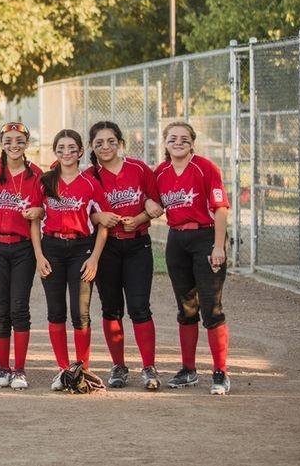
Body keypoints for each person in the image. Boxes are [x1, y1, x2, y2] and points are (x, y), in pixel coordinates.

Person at [85, 121, 164, 390]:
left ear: (120, 143)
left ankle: (149, 367)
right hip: (107, 248)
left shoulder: (139, 168)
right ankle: (118, 366)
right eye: (98, 143)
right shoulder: (90, 175)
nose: (105, 147)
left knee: (140, 308)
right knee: (111, 308)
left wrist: (139, 217)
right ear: (91, 147)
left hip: (137, 245)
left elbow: (155, 203)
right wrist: (98, 216)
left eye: (110, 141)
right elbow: (82, 212)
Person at [155, 121, 232, 395]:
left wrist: (219, 246)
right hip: (176, 240)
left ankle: (220, 372)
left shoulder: (205, 167)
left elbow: (220, 208)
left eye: (184, 139)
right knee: (186, 308)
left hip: (206, 238)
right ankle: (188, 369)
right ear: (165, 142)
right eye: (173, 138)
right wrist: (148, 206)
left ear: (192, 143)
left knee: (211, 308)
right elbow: (151, 202)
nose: (178, 142)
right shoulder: (160, 172)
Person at [33, 129, 110, 391]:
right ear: (55, 152)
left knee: (81, 313)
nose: (66, 152)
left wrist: (95, 259)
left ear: (80, 152)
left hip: (81, 249)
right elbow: (35, 219)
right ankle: (63, 369)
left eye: (71, 148)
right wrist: (39, 255)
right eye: (61, 148)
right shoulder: (45, 181)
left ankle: (81, 370)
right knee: (56, 312)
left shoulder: (90, 182)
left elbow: (102, 223)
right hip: (51, 248)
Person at [0, 122, 44, 390]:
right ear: (1, 142)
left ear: (27, 143)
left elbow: (43, 209)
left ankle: (19, 369)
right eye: (8, 140)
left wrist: (38, 212)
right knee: (0, 308)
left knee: (19, 308)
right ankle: (3, 367)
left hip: (23, 247)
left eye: (19, 140)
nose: (14, 145)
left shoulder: (36, 174)